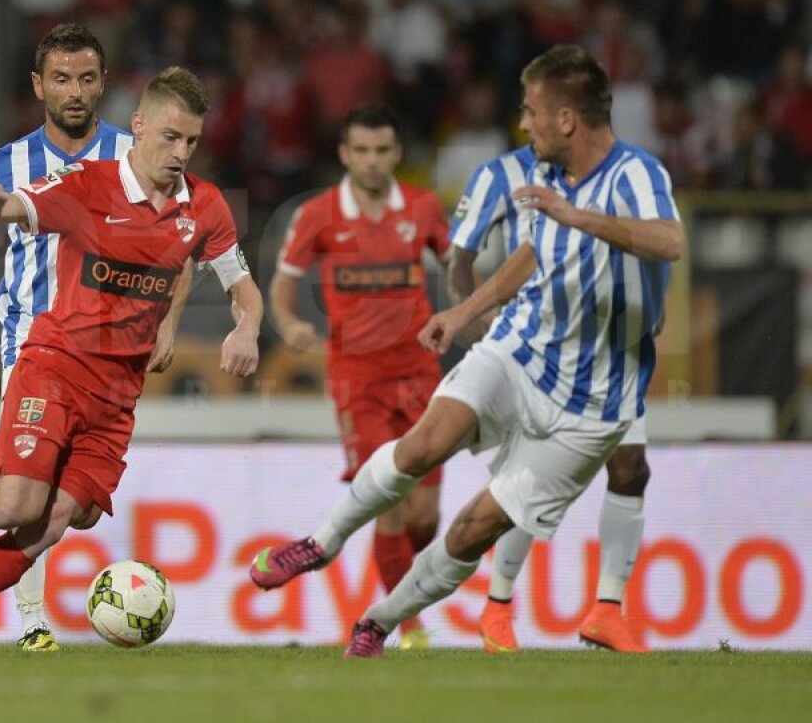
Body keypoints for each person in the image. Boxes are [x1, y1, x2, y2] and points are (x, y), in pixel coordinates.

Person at [249, 45, 682, 658]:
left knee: (474, 527)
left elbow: (669, 241)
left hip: (596, 404)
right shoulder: (548, 178)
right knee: (425, 444)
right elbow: (530, 257)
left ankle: (379, 620)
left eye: (531, 112)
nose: (523, 124)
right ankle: (320, 543)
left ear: (566, 120)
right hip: (522, 351)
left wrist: (579, 217)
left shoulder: (636, 174)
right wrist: (462, 312)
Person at [0, 66, 262, 654]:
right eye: (171, 138)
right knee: (16, 503)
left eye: (192, 142)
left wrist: (246, 327)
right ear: (140, 126)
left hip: (118, 396)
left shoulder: (205, 205)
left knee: (49, 525)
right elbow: (14, 208)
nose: (181, 153)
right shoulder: (88, 185)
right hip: (55, 365)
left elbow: (242, 288)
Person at [0, 24, 192, 652]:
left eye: (86, 78)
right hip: (34, 342)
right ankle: (32, 621)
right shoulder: (4, 164)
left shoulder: (133, 157)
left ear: (104, 83)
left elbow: (182, 244)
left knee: (68, 505)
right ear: (39, 86)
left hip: (112, 354)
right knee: (35, 489)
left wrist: (168, 320)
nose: (74, 91)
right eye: (61, 79)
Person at [450, 144, 653, 653]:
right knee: (532, 479)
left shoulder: (624, 175)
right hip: (542, 350)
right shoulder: (498, 174)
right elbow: (461, 259)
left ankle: (608, 610)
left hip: (612, 347)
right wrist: (478, 326)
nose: (530, 120)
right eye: (528, 109)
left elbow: (647, 248)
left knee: (631, 468)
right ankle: (496, 608)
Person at [269, 103, 450, 649]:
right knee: (389, 501)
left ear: (395, 154)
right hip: (358, 379)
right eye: (362, 151)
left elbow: (459, 268)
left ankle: (405, 592)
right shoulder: (320, 214)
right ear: (346, 154)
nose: (372, 161)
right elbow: (284, 284)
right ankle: (404, 624)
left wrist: (471, 311)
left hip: (420, 371)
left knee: (427, 512)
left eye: (382, 151)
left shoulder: (422, 207)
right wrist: (290, 322)